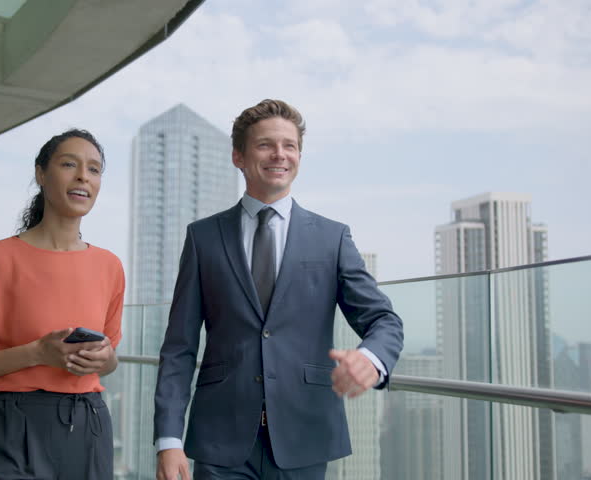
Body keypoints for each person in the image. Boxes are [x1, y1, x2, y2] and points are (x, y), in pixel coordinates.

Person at [153, 100, 404, 480]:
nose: (279, 155)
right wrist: (169, 438)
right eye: (265, 144)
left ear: (299, 155)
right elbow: (179, 347)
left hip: (304, 433)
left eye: (289, 145)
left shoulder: (332, 238)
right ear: (239, 156)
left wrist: (370, 359)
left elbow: (384, 320)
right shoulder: (203, 237)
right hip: (221, 437)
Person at [0, 129, 125, 480]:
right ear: (41, 174)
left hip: (89, 424)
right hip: (14, 426)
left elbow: (109, 360)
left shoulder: (110, 266)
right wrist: (37, 353)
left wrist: (104, 358)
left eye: (94, 169)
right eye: (69, 164)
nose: (84, 175)